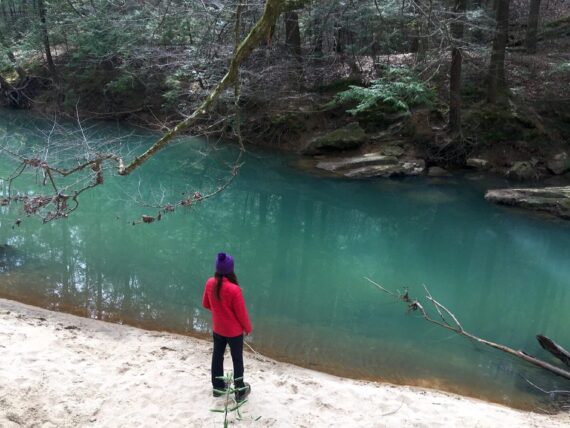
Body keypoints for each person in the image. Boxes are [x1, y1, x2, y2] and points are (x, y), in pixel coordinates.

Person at [202, 252, 252, 402]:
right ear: (231, 270)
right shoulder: (234, 290)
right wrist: (248, 328)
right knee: (237, 359)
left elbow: (206, 304)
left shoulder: (210, 283)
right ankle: (239, 390)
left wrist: (219, 312)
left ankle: (218, 387)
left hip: (218, 329)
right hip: (234, 332)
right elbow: (242, 314)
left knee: (217, 356)